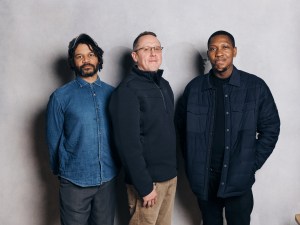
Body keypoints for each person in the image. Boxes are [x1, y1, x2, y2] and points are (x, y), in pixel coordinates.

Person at [176, 30, 280, 225]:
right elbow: (181, 131)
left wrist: (250, 164)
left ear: (235, 51)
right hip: (205, 181)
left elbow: (271, 128)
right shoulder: (194, 89)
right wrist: (192, 162)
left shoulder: (255, 87)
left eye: (225, 47)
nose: (219, 53)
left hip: (238, 180)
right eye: (213, 49)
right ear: (208, 54)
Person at [46, 33, 119, 225]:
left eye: (91, 54)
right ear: (73, 61)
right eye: (79, 56)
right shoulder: (60, 97)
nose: (86, 60)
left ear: (98, 58)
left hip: (107, 180)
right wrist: (63, 173)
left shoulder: (114, 94)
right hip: (74, 182)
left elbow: (120, 136)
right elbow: (53, 140)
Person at [109, 31, 177, 225]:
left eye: (157, 48)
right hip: (148, 184)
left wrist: (173, 175)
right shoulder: (127, 91)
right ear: (135, 56)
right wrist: (145, 186)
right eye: (146, 49)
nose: (153, 53)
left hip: (169, 178)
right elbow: (127, 145)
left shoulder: (164, 86)